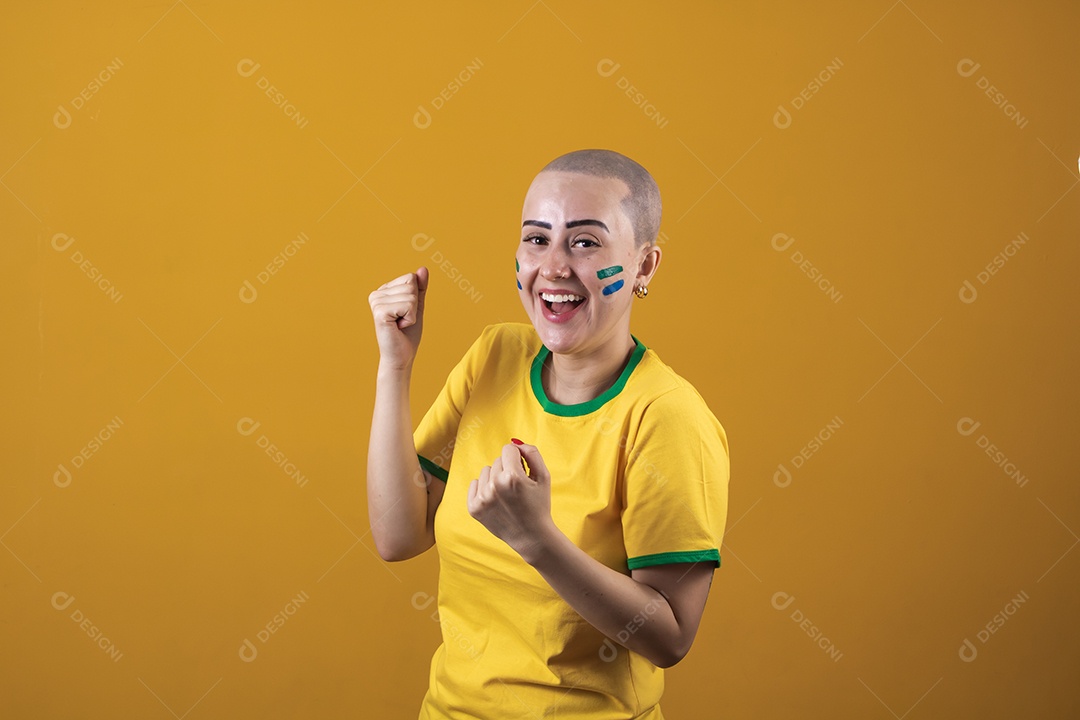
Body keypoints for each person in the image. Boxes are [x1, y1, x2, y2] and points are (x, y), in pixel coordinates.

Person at [366, 149, 730, 719]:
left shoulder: (666, 416)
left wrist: (536, 539)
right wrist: (395, 367)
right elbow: (397, 536)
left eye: (585, 243)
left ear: (644, 267)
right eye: (538, 240)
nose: (554, 267)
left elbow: (671, 637)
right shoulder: (495, 356)